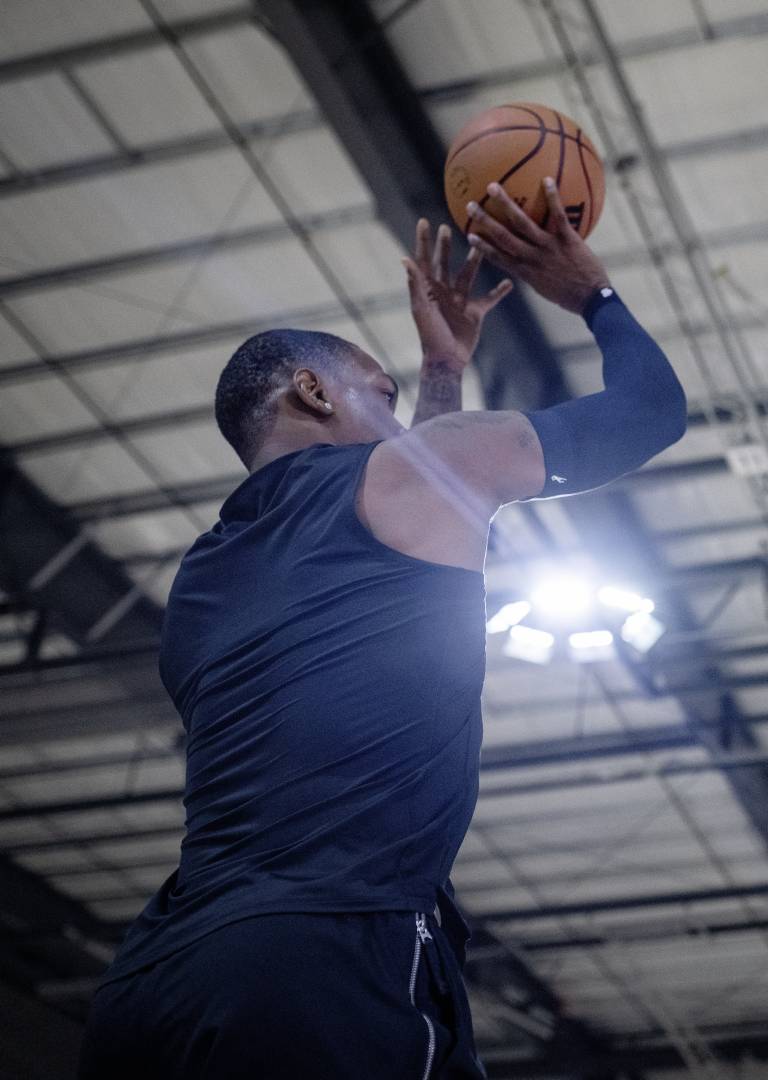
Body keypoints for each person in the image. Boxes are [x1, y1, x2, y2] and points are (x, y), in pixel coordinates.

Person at [78, 178, 686, 1079]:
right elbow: (650, 414)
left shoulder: (202, 583)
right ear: (315, 390)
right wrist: (591, 290)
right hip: (321, 957)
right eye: (383, 390)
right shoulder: (411, 475)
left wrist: (443, 372)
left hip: (155, 984)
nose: (402, 417)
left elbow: (413, 535)